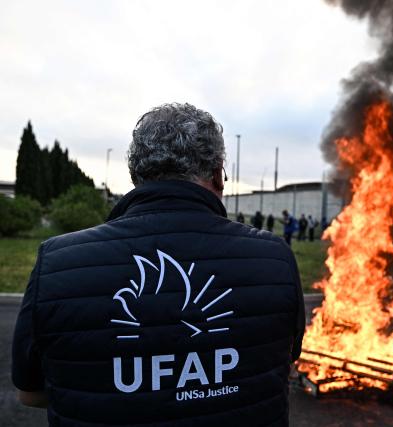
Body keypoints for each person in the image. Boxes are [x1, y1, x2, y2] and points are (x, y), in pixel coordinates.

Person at [11, 103, 305, 426]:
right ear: (218, 175)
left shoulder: (57, 262)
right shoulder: (275, 259)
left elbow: (30, 392)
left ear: (136, 176)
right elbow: (282, 369)